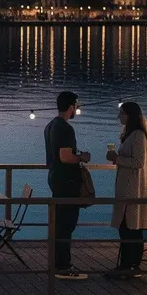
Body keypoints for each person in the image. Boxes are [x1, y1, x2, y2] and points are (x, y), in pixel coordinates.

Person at [44, 91, 90, 280]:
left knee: (60, 223)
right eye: (76, 106)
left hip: (55, 177)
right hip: (66, 181)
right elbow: (65, 156)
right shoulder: (65, 128)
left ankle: (58, 263)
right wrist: (82, 157)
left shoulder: (50, 126)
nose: (76, 110)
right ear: (71, 107)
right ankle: (63, 266)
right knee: (66, 224)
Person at [105, 101, 147, 278]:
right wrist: (117, 158)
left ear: (130, 115)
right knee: (126, 227)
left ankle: (131, 265)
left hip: (134, 189)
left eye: (122, 114)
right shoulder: (130, 134)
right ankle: (127, 264)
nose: (119, 117)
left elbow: (138, 163)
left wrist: (117, 159)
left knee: (131, 227)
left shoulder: (138, 135)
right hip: (127, 187)